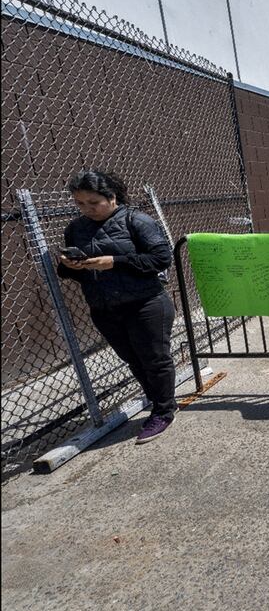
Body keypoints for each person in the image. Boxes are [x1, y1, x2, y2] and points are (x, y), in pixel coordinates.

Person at [57, 170, 178, 444]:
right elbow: (71, 274)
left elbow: (161, 259)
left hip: (145, 303)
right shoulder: (75, 229)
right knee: (133, 359)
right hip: (105, 308)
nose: (87, 209)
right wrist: (70, 265)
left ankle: (164, 412)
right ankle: (159, 401)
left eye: (93, 202)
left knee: (155, 359)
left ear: (112, 197)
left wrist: (115, 262)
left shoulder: (137, 220)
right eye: (80, 203)